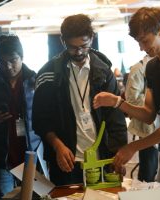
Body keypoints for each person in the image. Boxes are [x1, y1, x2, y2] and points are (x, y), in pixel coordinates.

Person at [93, 7, 160, 187]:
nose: (142, 48)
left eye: (145, 41)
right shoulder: (152, 67)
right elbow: (148, 114)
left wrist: (133, 146)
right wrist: (117, 102)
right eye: (139, 42)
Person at [32, 14, 128, 186]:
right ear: (63, 42)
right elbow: (40, 120)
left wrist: (118, 153)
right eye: (72, 47)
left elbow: (116, 118)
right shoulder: (48, 75)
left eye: (84, 46)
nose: (79, 52)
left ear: (92, 38)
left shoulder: (104, 72)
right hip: (67, 160)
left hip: (102, 157)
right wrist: (57, 145)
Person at [0, 35, 41, 199]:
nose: (8, 66)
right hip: (2, 157)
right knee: (2, 197)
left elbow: (48, 117)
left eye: (13, 60)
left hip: (33, 155)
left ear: (22, 56)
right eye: (2, 62)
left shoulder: (36, 81)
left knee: (37, 196)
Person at [125, 55, 158, 182]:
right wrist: (155, 101)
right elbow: (131, 100)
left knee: (158, 169)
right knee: (148, 171)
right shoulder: (138, 69)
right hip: (147, 128)